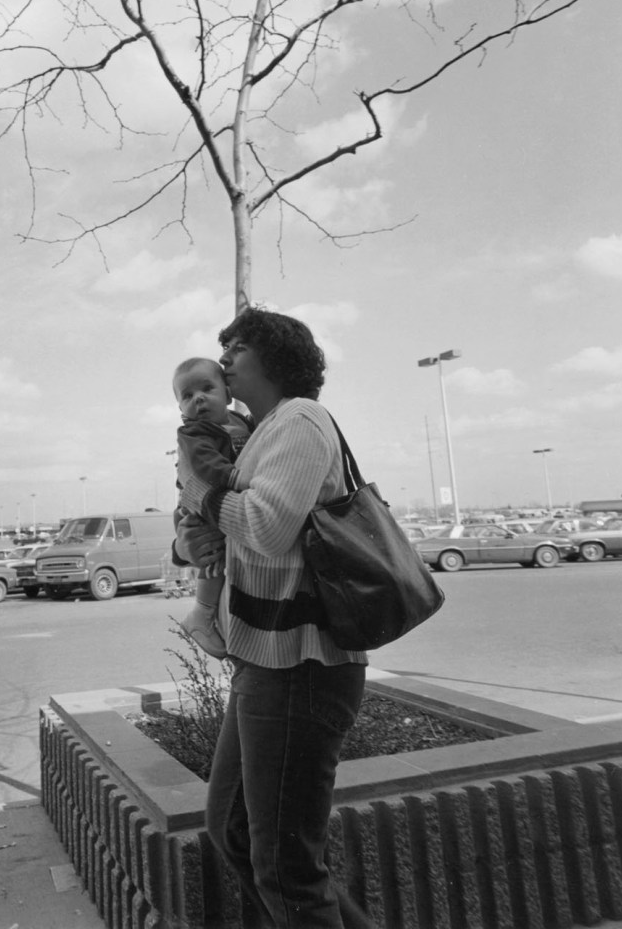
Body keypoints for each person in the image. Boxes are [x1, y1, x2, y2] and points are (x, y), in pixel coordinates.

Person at [174, 307, 374, 929]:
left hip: (304, 665)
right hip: (264, 660)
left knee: (286, 865)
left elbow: (264, 526)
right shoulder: (254, 433)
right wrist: (188, 540)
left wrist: (198, 494)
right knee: (232, 830)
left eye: (237, 346)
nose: (224, 356)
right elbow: (214, 537)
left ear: (274, 356)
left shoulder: (300, 420)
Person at [172, 357, 251, 659]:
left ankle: (206, 614)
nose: (199, 399)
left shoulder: (242, 422)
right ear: (181, 409)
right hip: (203, 503)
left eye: (207, 388)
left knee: (218, 556)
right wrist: (235, 477)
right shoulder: (194, 433)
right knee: (212, 556)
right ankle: (202, 613)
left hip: (225, 496)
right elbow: (205, 463)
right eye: (187, 396)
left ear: (228, 394)